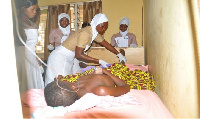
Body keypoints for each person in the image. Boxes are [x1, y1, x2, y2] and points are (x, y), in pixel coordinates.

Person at [45, 13, 126, 86]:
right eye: (102, 26)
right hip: (59, 57)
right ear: (97, 24)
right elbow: (79, 54)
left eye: (106, 27)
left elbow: (106, 44)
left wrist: (118, 54)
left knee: (66, 83)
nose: (104, 29)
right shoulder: (86, 33)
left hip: (68, 58)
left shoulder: (94, 33)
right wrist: (99, 61)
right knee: (60, 84)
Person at [44, 67, 130, 107]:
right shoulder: (100, 91)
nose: (67, 81)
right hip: (111, 73)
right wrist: (105, 71)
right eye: (65, 82)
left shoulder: (74, 88)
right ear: (73, 87)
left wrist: (93, 73)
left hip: (92, 71)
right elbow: (125, 87)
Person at [13, 0, 44, 93]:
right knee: (27, 86)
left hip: (31, 56)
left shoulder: (30, 22)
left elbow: (31, 46)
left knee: (35, 84)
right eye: (33, 9)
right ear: (23, 8)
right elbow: (19, 45)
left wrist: (35, 57)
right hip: (23, 57)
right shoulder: (17, 24)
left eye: (36, 9)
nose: (35, 12)